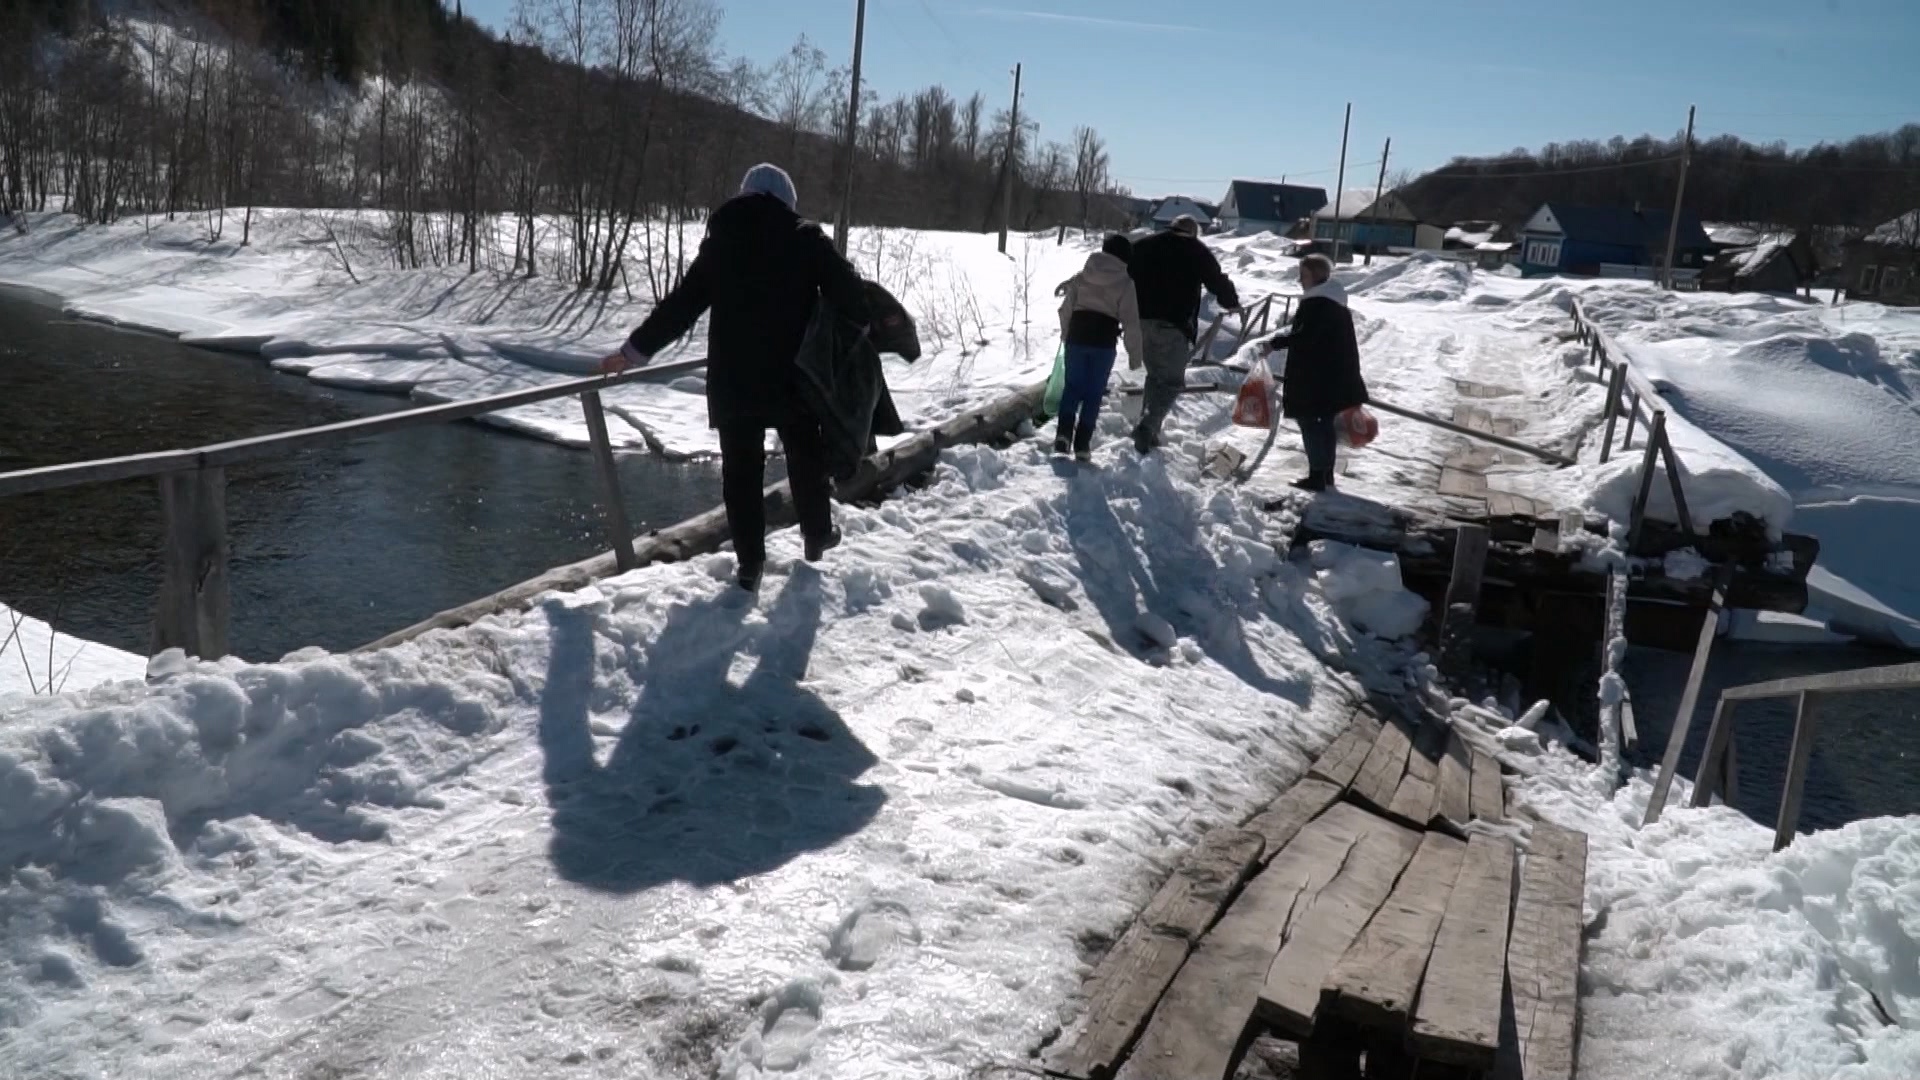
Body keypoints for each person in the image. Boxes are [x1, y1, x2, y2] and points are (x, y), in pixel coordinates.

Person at [601, 163, 871, 592]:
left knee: (741, 470)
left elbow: (682, 306)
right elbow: (852, 296)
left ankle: (750, 566)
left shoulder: (722, 242)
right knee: (805, 450)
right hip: (794, 374)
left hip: (734, 376)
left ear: (744, 195)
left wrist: (633, 351)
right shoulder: (807, 239)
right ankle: (817, 534)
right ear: (787, 202)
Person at [1125, 214, 1241, 454]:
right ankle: (1147, 427)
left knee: (1155, 375)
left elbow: (1123, 270)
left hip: (1140, 321)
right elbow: (1216, 280)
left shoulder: (1145, 244)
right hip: (1173, 325)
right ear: (1193, 232)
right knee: (1171, 382)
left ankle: (1150, 429)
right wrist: (1231, 303)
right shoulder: (1195, 249)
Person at [1261, 253, 1366, 492]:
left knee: (1313, 424)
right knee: (1323, 423)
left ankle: (1317, 475)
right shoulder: (1332, 301)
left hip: (1317, 377)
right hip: (1331, 375)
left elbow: (1307, 336)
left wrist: (1276, 343)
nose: (1300, 280)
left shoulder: (1318, 303)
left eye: (1304, 275)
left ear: (1316, 277)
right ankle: (1324, 474)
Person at [1053, 233, 1145, 462]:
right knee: (1094, 393)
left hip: (1078, 336)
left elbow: (1065, 310)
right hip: (1104, 341)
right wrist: (1135, 355)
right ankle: (1082, 443)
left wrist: (1066, 335)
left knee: (1072, 387)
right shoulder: (1126, 282)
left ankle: (1063, 434)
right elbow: (1131, 322)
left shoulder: (1083, 276)